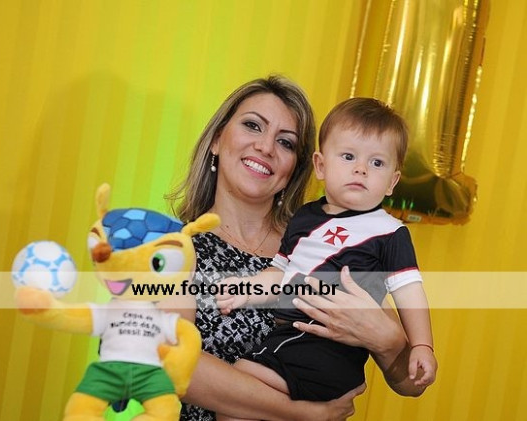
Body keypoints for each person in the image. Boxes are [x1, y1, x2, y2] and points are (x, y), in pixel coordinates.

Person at [164, 78, 429, 420]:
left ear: (297, 167)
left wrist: (389, 341)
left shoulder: (324, 245)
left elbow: (411, 384)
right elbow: (174, 364)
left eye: (285, 142)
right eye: (252, 125)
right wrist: (306, 413)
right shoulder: (171, 248)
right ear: (216, 139)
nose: (265, 147)